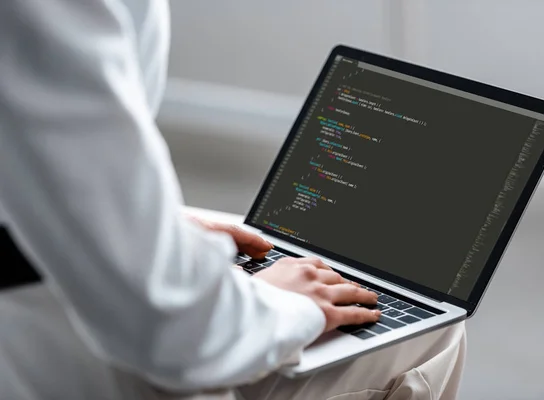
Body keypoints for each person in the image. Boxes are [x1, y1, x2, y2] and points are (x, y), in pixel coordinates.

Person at [0, 0, 466, 399]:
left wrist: (151, 230)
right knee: (433, 333)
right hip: (41, 354)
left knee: (248, 242)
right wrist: (281, 303)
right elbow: (169, 329)